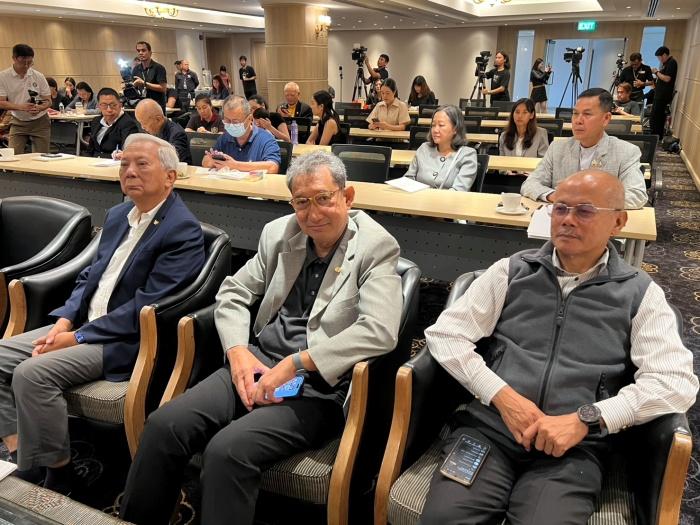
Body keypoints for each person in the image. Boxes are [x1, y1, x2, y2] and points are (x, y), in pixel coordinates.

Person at [119, 149, 403, 525]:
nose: (313, 214)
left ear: (347, 197)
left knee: (226, 452)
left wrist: (296, 363)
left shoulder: (375, 246)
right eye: (302, 202)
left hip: (316, 386)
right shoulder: (280, 233)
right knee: (163, 425)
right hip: (257, 362)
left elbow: (380, 329)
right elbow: (233, 292)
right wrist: (238, 351)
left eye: (323, 198)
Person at [420, 169, 698, 525]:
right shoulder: (513, 271)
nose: (567, 219)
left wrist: (587, 419)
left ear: (618, 222)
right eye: (560, 208)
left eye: (584, 211)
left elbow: (675, 382)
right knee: (444, 518)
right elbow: (446, 335)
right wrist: (502, 396)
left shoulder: (639, 294)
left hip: (575, 449)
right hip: (491, 430)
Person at [0, 133, 205, 494]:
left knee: (32, 373)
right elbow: (89, 276)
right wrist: (65, 320)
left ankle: (60, 473)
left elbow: (147, 306)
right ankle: (23, 457)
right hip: (82, 324)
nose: (130, 171)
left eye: (142, 164)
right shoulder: (118, 215)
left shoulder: (181, 230)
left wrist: (76, 337)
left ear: (170, 177)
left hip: (122, 339)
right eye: (124, 163)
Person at [521, 88, 647, 209]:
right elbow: (530, 184)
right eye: (575, 113)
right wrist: (555, 196)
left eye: (587, 114)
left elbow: (637, 195)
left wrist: (584, 200)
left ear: (606, 119)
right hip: (561, 219)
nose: (578, 120)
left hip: (599, 221)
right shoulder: (557, 148)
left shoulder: (626, 152)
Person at [404, 104, 477, 191]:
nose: (435, 130)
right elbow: (408, 179)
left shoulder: (467, 155)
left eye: (441, 125)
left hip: (448, 200)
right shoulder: (424, 148)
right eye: (433, 125)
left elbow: (458, 191)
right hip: (418, 198)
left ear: (455, 129)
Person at [202, 95, 280, 173]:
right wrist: (213, 161)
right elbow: (205, 162)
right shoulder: (225, 137)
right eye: (227, 121)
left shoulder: (265, 138)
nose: (231, 125)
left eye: (236, 122)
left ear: (249, 119)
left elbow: (273, 167)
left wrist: (234, 165)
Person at [0, 43, 51, 153]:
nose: (27, 66)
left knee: (42, 157)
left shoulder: (39, 76)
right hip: (18, 121)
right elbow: (1, 102)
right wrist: (21, 107)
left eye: (30, 62)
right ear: (14, 58)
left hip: (40, 121)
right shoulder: (3, 77)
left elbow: (48, 100)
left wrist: (40, 108)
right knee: (14, 156)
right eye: (23, 62)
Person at [135, 99, 192, 164]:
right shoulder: (152, 131)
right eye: (140, 123)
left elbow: (172, 160)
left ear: (158, 119)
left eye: (144, 123)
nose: (142, 127)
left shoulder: (177, 134)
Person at [86, 87, 138, 158]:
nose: (109, 110)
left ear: (120, 105)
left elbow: (127, 153)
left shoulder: (128, 124)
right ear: (99, 106)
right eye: (104, 105)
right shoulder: (96, 121)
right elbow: (90, 150)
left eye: (113, 105)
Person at [650, 46, 677, 140]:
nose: (659, 60)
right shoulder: (666, 64)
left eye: (659, 57)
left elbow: (667, 78)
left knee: (657, 118)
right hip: (659, 94)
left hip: (663, 96)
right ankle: (654, 136)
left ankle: (656, 137)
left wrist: (656, 72)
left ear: (664, 55)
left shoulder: (672, 63)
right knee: (655, 117)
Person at [131, 41, 167, 110]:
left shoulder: (158, 68)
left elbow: (163, 88)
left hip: (157, 106)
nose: (140, 53)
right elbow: (134, 87)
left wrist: (144, 83)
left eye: (143, 50)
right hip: (142, 106)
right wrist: (133, 86)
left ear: (150, 53)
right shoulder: (136, 69)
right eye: (138, 51)